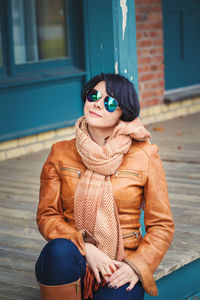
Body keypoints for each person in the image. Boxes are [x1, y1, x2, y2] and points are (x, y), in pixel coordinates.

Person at [35, 73, 175, 300]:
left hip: (119, 265)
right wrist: (86, 247)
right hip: (73, 256)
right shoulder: (59, 153)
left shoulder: (146, 156)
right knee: (58, 251)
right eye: (94, 96)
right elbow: (47, 216)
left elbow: (162, 226)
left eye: (110, 103)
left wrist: (136, 265)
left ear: (123, 113)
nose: (98, 104)